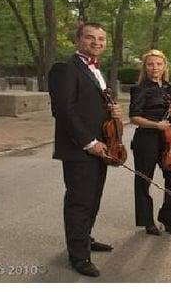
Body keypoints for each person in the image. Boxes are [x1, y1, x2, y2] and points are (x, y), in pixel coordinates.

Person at [48, 22, 123, 277]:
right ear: (77, 40)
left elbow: (92, 107)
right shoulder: (65, 69)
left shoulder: (96, 70)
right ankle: (78, 257)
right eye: (90, 38)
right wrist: (89, 143)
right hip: (80, 148)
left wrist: (114, 111)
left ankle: (84, 239)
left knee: (93, 199)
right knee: (79, 202)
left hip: (102, 147)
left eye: (101, 39)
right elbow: (64, 111)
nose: (97, 43)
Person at [129, 49, 171, 236]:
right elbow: (134, 118)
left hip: (170, 140)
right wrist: (155, 125)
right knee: (144, 180)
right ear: (145, 67)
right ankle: (147, 221)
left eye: (159, 64)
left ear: (164, 66)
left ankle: (167, 219)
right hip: (146, 139)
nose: (155, 68)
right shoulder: (140, 89)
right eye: (151, 64)